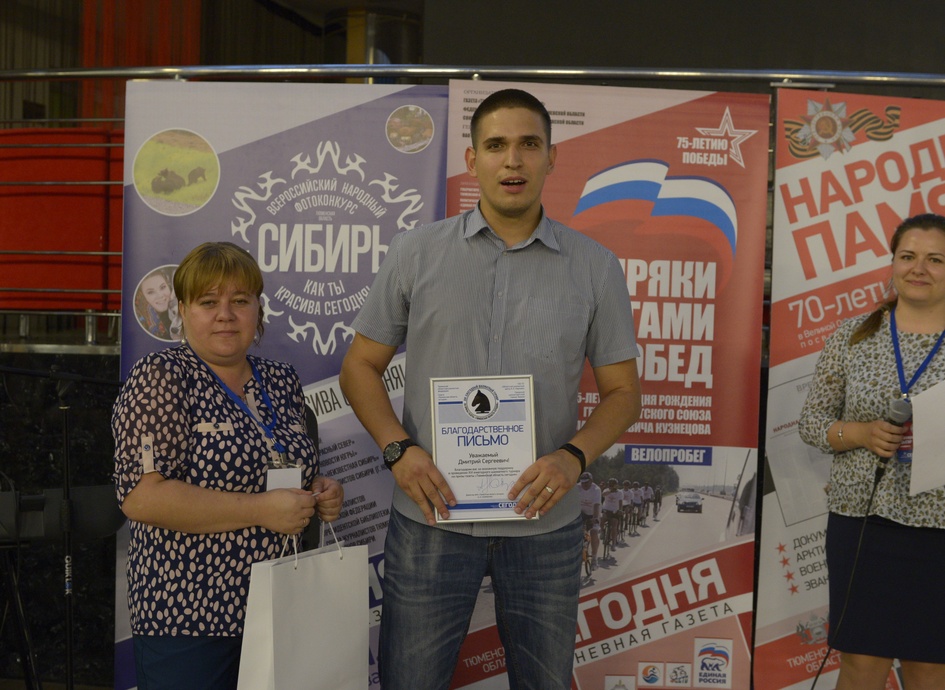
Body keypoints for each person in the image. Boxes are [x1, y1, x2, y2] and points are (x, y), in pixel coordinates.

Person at [339, 88, 642, 689]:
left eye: (529, 144)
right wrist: (398, 449)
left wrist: (573, 457)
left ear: (551, 157)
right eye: (497, 145)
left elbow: (623, 393)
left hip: (544, 524)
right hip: (432, 518)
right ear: (472, 159)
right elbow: (359, 368)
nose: (513, 160)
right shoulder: (415, 253)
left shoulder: (594, 266)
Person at [112, 241, 343, 690]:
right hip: (188, 616)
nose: (226, 315)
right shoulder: (161, 376)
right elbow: (141, 497)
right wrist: (261, 509)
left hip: (282, 608)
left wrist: (318, 490)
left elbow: (282, 464)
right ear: (182, 310)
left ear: (258, 309)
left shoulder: (281, 379)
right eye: (208, 302)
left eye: (240, 300)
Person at [799, 213, 945, 690]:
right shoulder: (853, 336)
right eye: (908, 256)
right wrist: (860, 434)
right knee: (862, 664)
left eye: (935, 259)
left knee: (931, 668)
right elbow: (811, 423)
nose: (918, 268)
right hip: (862, 524)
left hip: (940, 529)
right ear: (892, 263)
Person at [136, 267, 182, 340]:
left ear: (168, 286)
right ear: (143, 296)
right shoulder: (142, 322)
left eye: (163, 287)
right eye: (150, 292)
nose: (160, 295)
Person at [578, 471, 602, 570]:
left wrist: (595, 518)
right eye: (582, 482)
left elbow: (596, 505)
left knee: (594, 532)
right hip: (581, 513)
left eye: (586, 482)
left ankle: (594, 559)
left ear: (591, 481)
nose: (584, 484)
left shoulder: (596, 489)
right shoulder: (577, 487)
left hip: (593, 514)